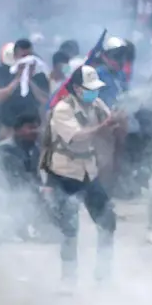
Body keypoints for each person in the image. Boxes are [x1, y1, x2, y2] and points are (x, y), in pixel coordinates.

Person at [41, 65, 121, 288]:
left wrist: (116, 119)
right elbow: (76, 136)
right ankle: (68, 277)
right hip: (64, 173)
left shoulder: (95, 104)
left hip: (89, 170)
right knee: (70, 228)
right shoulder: (63, 109)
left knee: (107, 221)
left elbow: (109, 122)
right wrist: (103, 126)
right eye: (89, 89)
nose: (94, 93)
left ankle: (103, 273)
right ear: (76, 88)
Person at [0, 112, 49, 241]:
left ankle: (38, 228)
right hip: (2, 193)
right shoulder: (6, 149)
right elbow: (15, 179)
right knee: (25, 195)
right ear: (17, 130)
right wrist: (39, 190)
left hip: (22, 191)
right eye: (30, 127)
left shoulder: (34, 149)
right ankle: (11, 228)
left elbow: (35, 176)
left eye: (36, 127)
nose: (35, 131)